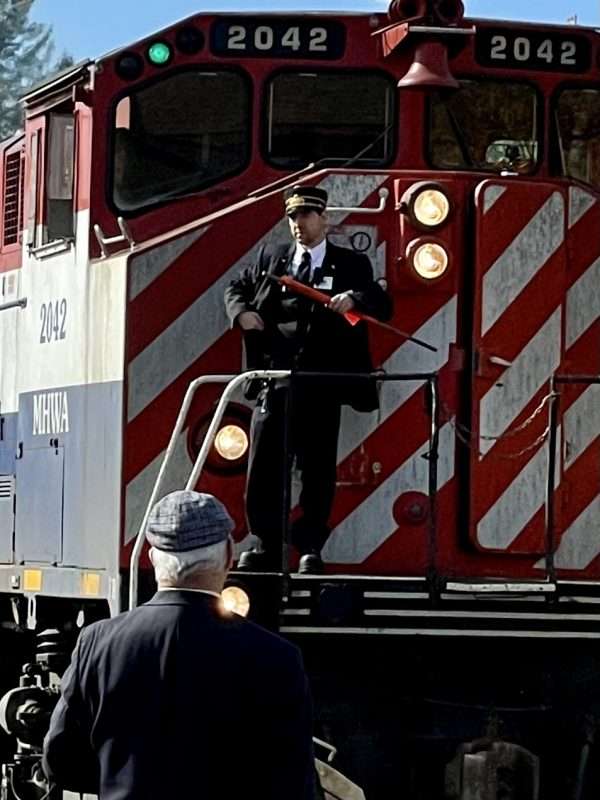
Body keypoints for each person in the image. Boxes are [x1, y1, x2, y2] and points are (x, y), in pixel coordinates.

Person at [42, 490, 316, 800]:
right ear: (228, 555)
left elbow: (60, 760)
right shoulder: (277, 658)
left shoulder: (96, 644)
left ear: (152, 558)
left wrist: (120, 778)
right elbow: (293, 782)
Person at [224, 184, 393, 574]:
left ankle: (310, 547)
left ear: (324, 219)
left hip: (323, 382)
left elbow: (381, 302)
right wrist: (242, 314)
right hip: (277, 380)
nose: (298, 224)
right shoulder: (274, 257)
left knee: (318, 469)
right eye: (292, 217)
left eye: (306, 216)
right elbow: (238, 287)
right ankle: (265, 542)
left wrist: (355, 299)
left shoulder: (351, 264)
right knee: (264, 466)